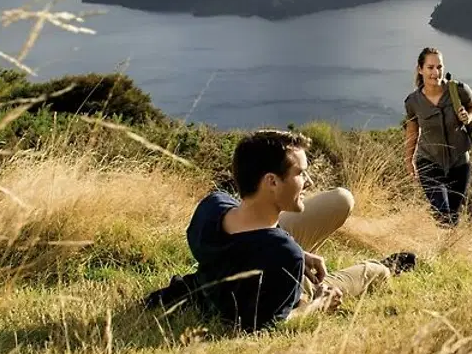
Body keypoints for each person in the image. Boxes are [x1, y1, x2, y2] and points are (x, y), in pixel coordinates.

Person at [153, 129, 412, 331]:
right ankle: (387, 266)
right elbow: (275, 323)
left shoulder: (212, 206)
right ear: (271, 181)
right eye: (300, 173)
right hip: (281, 272)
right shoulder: (284, 256)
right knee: (375, 272)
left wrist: (299, 251)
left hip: (253, 252)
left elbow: (253, 236)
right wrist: (319, 304)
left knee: (341, 199)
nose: (308, 182)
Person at [403, 47, 472, 226]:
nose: (435, 72)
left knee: (453, 215)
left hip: (459, 162)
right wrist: (409, 160)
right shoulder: (413, 102)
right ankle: (441, 245)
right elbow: (412, 131)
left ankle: (445, 250)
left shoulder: (458, 90)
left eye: (439, 67)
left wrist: (468, 116)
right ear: (420, 69)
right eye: (430, 67)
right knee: (442, 212)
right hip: (429, 161)